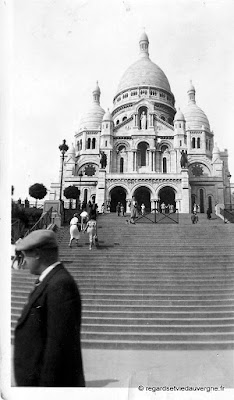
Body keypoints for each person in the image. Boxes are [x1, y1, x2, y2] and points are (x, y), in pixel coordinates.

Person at [14, 229, 85, 387]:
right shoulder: (50, 281)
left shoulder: (60, 285)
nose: (24, 262)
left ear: (38, 253)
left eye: (26, 255)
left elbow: (58, 350)